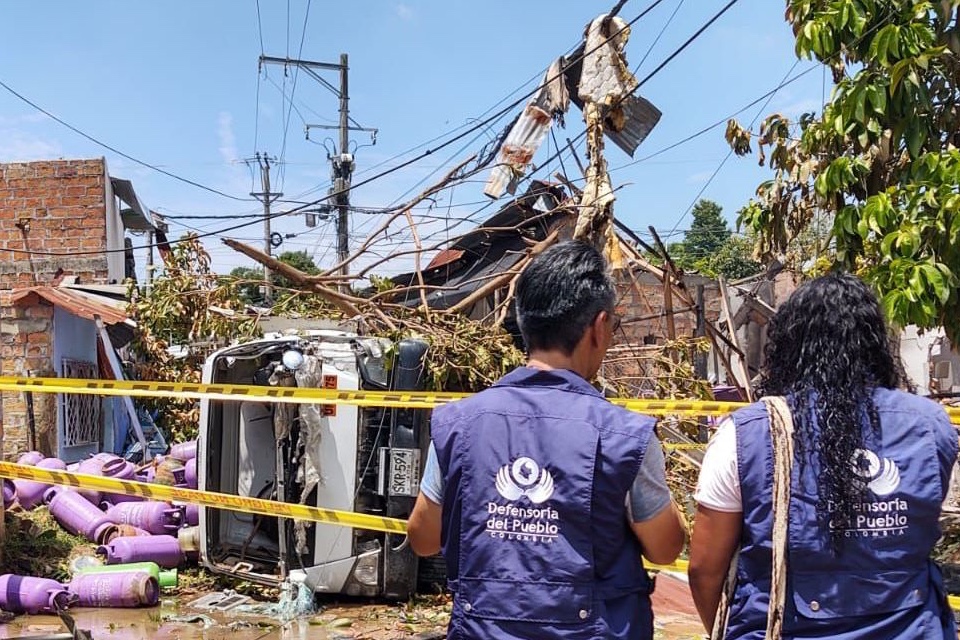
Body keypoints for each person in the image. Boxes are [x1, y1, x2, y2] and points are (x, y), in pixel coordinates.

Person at [407, 240, 686, 640]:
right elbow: (665, 548)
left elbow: (422, 538)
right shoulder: (625, 435)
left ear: (524, 323)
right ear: (599, 326)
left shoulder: (459, 424)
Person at [689, 272, 959, 638]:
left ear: (789, 346)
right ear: (876, 344)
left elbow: (705, 569)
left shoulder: (745, 435)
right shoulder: (931, 426)